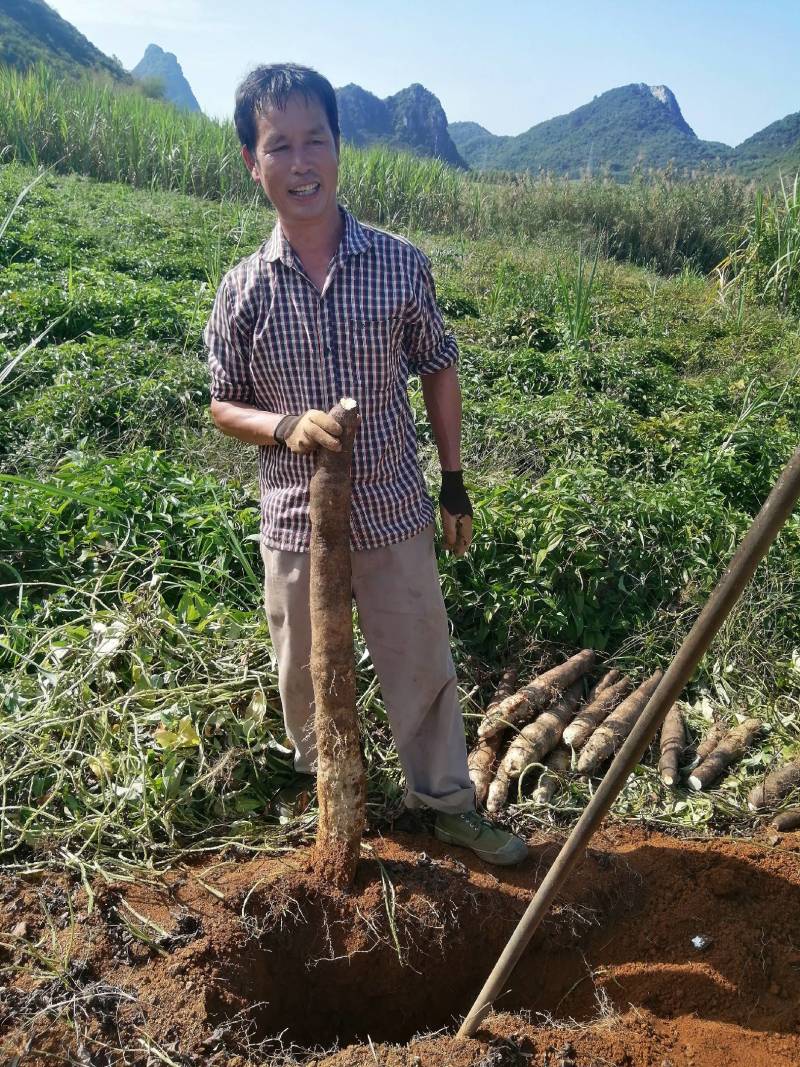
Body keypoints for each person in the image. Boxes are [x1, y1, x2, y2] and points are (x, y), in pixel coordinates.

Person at [204, 63, 527, 866]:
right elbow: (221, 402)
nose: (301, 160)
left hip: (389, 506)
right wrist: (284, 426)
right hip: (292, 518)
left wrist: (453, 480)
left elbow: (438, 364)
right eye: (280, 145)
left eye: (316, 139)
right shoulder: (242, 290)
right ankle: (331, 797)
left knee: (420, 660)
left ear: (340, 149)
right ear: (254, 162)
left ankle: (447, 802)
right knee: (304, 675)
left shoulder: (396, 263)